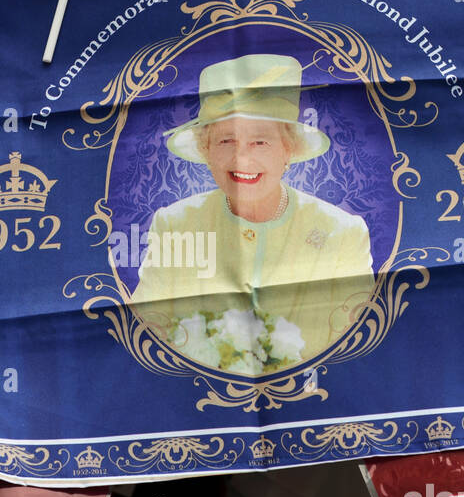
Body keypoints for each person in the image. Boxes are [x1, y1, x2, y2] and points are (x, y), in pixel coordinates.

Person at [130, 54, 375, 374]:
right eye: (225, 140)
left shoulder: (342, 233)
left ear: (289, 149)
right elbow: (146, 335)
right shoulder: (176, 224)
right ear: (206, 150)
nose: (241, 159)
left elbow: (358, 352)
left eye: (260, 142)